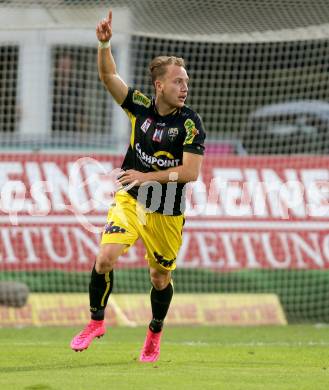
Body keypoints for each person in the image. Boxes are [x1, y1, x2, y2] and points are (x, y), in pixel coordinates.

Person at [70, 9, 206, 362]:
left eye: (186, 82)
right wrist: (104, 44)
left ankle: (154, 332)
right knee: (105, 258)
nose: (185, 87)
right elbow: (109, 75)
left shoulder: (190, 124)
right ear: (159, 85)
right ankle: (96, 322)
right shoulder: (141, 108)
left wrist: (148, 176)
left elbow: (190, 173)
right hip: (131, 199)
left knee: (159, 277)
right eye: (178, 81)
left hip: (166, 210)